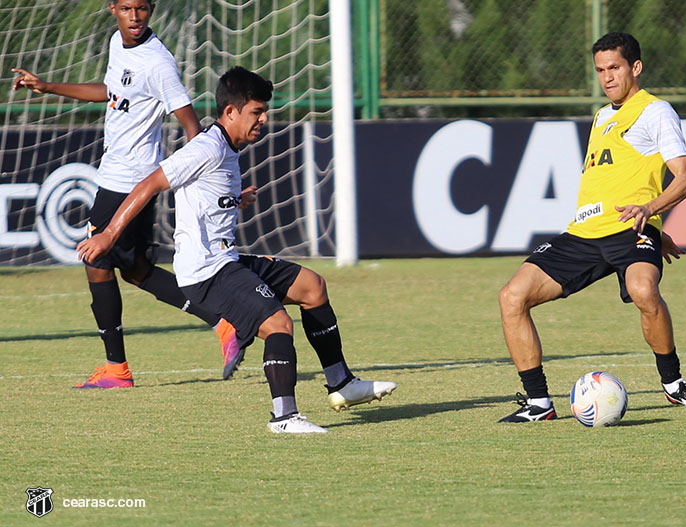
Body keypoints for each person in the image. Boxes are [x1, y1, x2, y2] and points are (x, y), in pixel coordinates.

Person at [77, 66, 397, 434]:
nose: (263, 119)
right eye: (256, 112)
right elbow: (150, 183)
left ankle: (342, 384)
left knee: (313, 287)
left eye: (264, 112)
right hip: (207, 272)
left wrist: (232, 200)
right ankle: (284, 418)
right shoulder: (207, 148)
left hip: (226, 259)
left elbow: (204, 194)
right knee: (278, 324)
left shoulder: (229, 147)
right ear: (231, 112)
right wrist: (108, 235)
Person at [12, 0, 246, 388]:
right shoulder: (117, 45)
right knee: (136, 270)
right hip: (116, 175)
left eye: (141, 8)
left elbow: (190, 123)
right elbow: (110, 91)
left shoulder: (158, 63)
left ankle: (116, 369)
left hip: (129, 180)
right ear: (112, 9)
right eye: (126, 8)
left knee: (96, 260)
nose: (134, 17)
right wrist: (48, 85)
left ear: (151, 8)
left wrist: (205, 176)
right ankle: (223, 323)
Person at [497, 32, 686, 423]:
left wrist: (650, 212)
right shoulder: (602, 116)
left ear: (635, 67)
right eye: (600, 70)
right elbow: (616, 178)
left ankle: (673, 384)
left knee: (643, 289)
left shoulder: (655, 111)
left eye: (614, 67)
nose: (607, 77)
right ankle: (538, 404)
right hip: (584, 233)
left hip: (630, 232)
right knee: (512, 297)